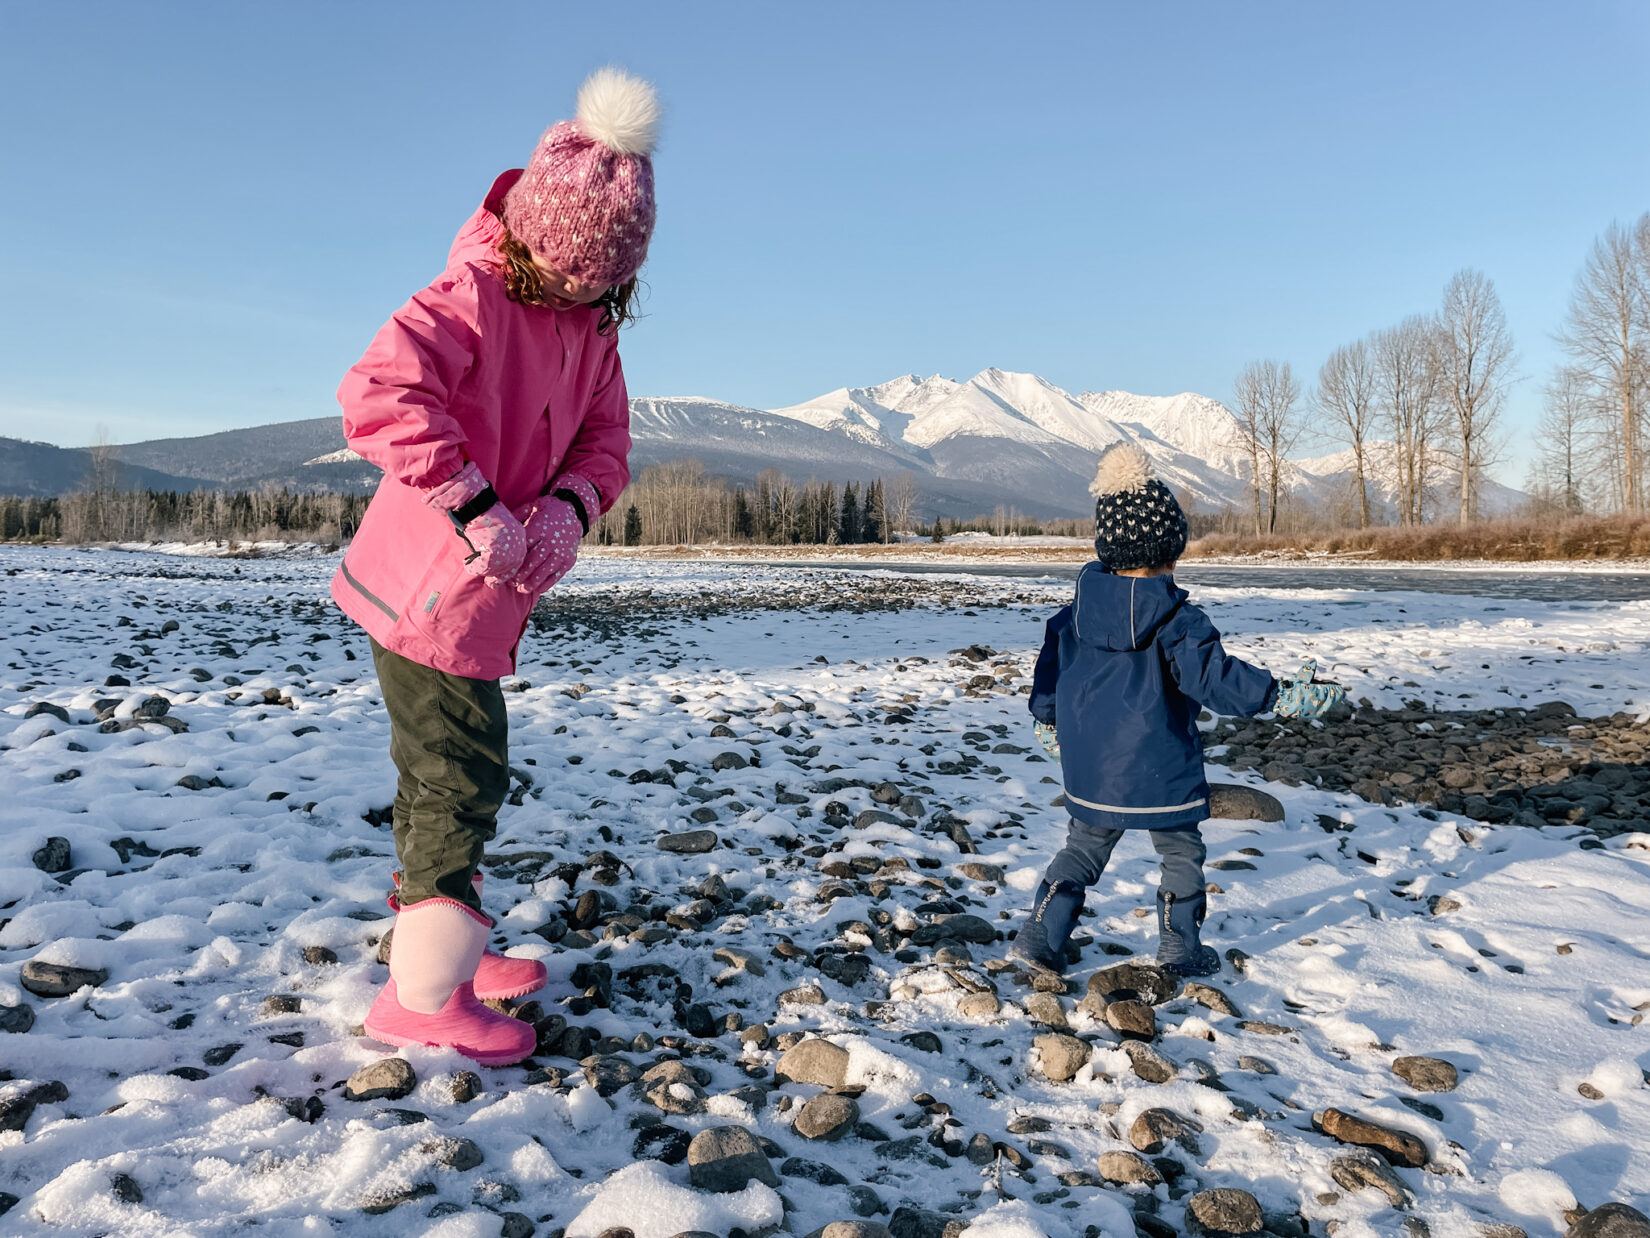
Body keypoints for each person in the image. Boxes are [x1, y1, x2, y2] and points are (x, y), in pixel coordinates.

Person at [329, 68, 660, 1065]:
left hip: (483, 602)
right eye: (563, 274)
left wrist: (569, 506)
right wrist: (472, 502)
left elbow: (607, 441)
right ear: (526, 238)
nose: (578, 294)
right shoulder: (470, 295)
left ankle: (445, 953)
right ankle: (420, 994)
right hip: (428, 590)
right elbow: (377, 391)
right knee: (458, 777)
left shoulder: (591, 329)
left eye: (598, 283)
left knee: (448, 773)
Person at [1011, 443, 1344, 979]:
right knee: (1181, 854)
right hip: (1163, 767)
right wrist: (1279, 695)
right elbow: (1216, 680)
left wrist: (1048, 724)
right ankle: (1179, 949)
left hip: (1093, 770)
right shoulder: (1179, 621)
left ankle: (1039, 938)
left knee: (1082, 850)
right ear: (1167, 551)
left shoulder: (1070, 618)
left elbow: (1049, 679)